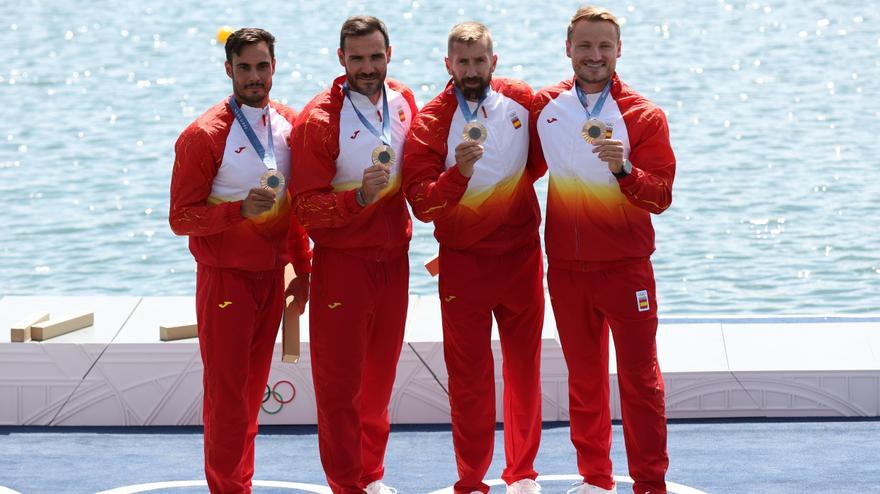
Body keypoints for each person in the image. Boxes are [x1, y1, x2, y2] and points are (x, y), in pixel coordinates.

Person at [530, 6, 676, 494]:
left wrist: (625, 171)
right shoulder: (544, 107)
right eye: (586, 46)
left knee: (640, 380)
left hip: (626, 269)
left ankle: (650, 483)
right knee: (585, 381)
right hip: (567, 270)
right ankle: (596, 480)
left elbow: (660, 196)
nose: (595, 56)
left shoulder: (643, 115)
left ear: (619, 50)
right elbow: (511, 170)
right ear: (568, 48)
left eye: (604, 46)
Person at [403, 22, 544, 494]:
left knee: (524, 371)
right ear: (448, 65)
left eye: (478, 60)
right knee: (470, 379)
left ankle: (521, 473)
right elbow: (421, 205)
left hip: (522, 258)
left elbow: (538, 163)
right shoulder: (429, 121)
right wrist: (457, 176)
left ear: (493, 62)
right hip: (463, 264)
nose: (471, 70)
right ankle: (471, 479)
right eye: (461, 62)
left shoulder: (521, 100)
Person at [169, 28, 312, 493]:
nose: (255, 76)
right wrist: (236, 212)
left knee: (251, 395)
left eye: (262, 66)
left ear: (275, 66)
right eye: (245, 67)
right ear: (228, 69)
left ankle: (239, 485)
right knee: (229, 397)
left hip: (272, 279)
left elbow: (294, 210)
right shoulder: (203, 135)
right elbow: (180, 218)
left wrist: (302, 269)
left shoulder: (290, 124)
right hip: (225, 280)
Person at [288, 15, 416, 494]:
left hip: (395, 262)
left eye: (375, 56)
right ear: (340, 59)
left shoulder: (403, 101)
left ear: (389, 54)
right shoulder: (320, 120)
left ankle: (371, 477)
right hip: (343, 265)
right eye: (357, 57)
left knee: (379, 383)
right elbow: (304, 208)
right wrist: (357, 199)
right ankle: (345, 484)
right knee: (341, 387)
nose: (368, 66)